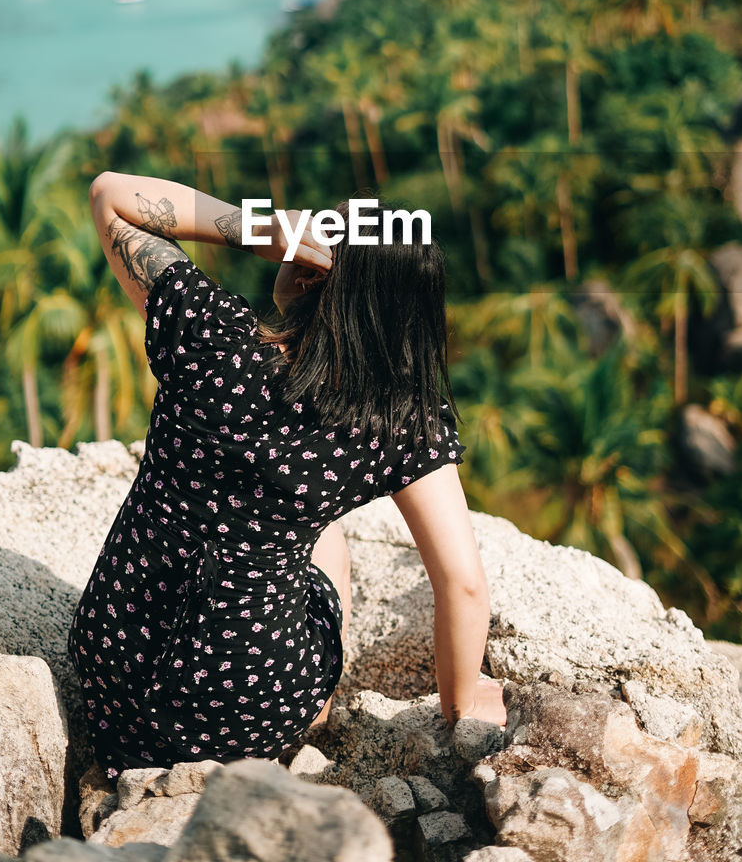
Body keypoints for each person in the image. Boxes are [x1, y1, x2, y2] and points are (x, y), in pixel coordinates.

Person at [67, 172, 506, 781]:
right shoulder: (399, 420)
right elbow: (461, 585)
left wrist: (259, 230)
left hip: (113, 667)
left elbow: (109, 195)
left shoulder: (210, 336)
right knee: (327, 540)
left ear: (310, 267)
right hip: (244, 711)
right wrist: (465, 704)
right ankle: (313, 716)